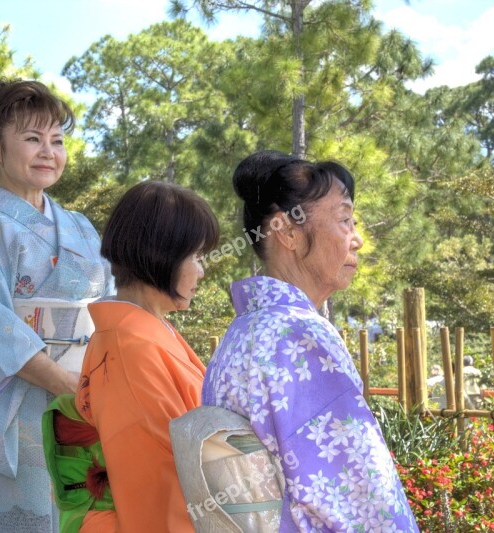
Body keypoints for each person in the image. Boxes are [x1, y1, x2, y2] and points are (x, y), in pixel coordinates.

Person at [0, 78, 113, 531]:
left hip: (89, 398)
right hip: (24, 406)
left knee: (94, 512)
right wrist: (69, 386)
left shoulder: (81, 228)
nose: (48, 152)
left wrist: (96, 385)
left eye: (57, 140)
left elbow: (110, 307)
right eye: (32, 139)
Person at [202, 150, 419, 531]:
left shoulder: (242, 332)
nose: (358, 239)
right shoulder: (299, 337)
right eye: (345, 220)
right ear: (287, 231)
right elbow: (365, 501)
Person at [73, 181, 219, 532]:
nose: (202, 271)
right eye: (195, 257)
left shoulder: (139, 332)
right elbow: (161, 479)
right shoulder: (134, 348)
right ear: (161, 253)